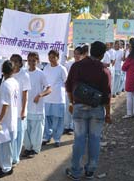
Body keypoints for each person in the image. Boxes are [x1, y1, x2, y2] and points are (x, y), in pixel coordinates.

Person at [65, 41, 112, 180]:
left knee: (79, 139)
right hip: (97, 110)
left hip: (79, 107)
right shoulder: (105, 70)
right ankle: (90, 171)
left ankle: (75, 172)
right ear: (103, 55)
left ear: (90, 51)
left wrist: (72, 102)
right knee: (94, 140)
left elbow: (68, 86)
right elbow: (107, 96)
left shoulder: (77, 65)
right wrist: (108, 114)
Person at [22, 52, 51, 158]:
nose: (31, 63)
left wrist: (40, 95)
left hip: (37, 107)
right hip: (25, 106)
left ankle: (35, 149)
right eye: (29, 60)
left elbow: (49, 88)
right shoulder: (24, 73)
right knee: (26, 129)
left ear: (37, 61)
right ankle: (27, 148)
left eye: (33, 60)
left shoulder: (41, 73)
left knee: (37, 130)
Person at [42, 50, 68, 147]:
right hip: (47, 98)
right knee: (47, 118)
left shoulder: (62, 69)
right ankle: (46, 137)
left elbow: (66, 82)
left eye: (53, 57)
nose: (51, 59)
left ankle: (57, 138)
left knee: (58, 119)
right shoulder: (46, 68)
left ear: (57, 57)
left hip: (58, 98)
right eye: (50, 57)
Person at [10, 54, 31, 165]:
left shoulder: (24, 75)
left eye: (14, 61)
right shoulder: (8, 74)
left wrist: (23, 110)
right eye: (11, 61)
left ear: (19, 63)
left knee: (18, 135)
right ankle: (10, 156)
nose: (12, 63)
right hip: (10, 110)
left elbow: (25, 95)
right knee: (11, 135)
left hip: (19, 110)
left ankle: (15, 158)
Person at [64, 45, 88, 135]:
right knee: (69, 107)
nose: (76, 56)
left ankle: (74, 127)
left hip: (80, 91)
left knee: (77, 109)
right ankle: (67, 126)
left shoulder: (85, 65)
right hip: (70, 89)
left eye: (78, 54)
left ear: (82, 55)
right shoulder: (69, 63)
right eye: (75, 54)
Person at [122, 39, 134, 119]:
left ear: (132, 49)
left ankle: (129, 113)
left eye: (130, 47)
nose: (128, 48)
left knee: (129, 96)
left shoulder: (129, 58)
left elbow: (123, 68)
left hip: (130, 78)